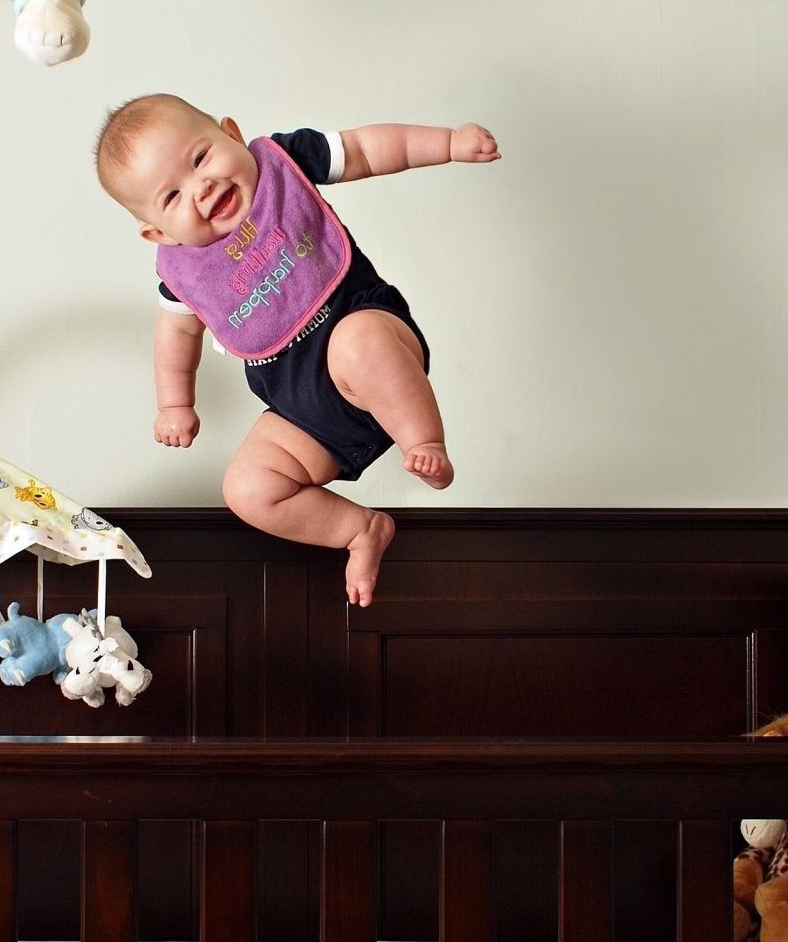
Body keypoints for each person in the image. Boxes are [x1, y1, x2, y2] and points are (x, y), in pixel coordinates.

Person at [96, 93, 500, 604]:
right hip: (305, 411)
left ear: (232, 133)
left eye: (201, 158)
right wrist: (174, 404)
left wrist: (447, 143)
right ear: (157, 232)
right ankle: (359, 530)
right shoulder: (186, 276)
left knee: (356, 343)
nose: (201, 187)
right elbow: (175, 336)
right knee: (247, 488)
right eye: (172, 197)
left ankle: (423, 442)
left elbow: (366, 150)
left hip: (373, 344)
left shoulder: (283, 165)